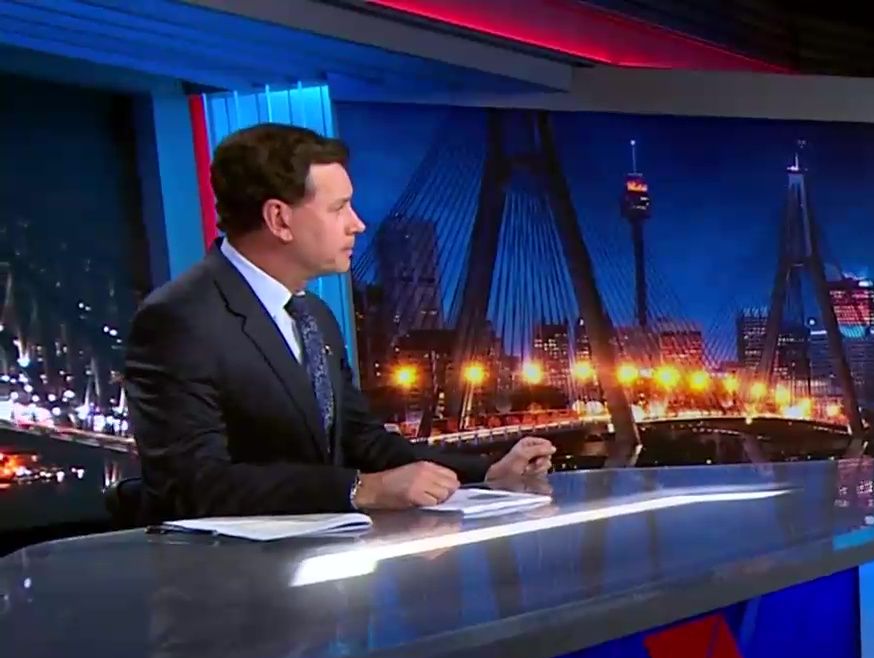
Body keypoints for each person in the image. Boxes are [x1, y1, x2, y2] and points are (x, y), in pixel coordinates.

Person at [124, 123, 553, 521]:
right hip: (231, 571)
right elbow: (192, 484)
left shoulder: (314, 316)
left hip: (323, 563)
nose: (358, 224)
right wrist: (360, 490)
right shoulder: (179, 318)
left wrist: (487, 471)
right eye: (339, 208)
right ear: (279, 219)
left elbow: (364, 441)